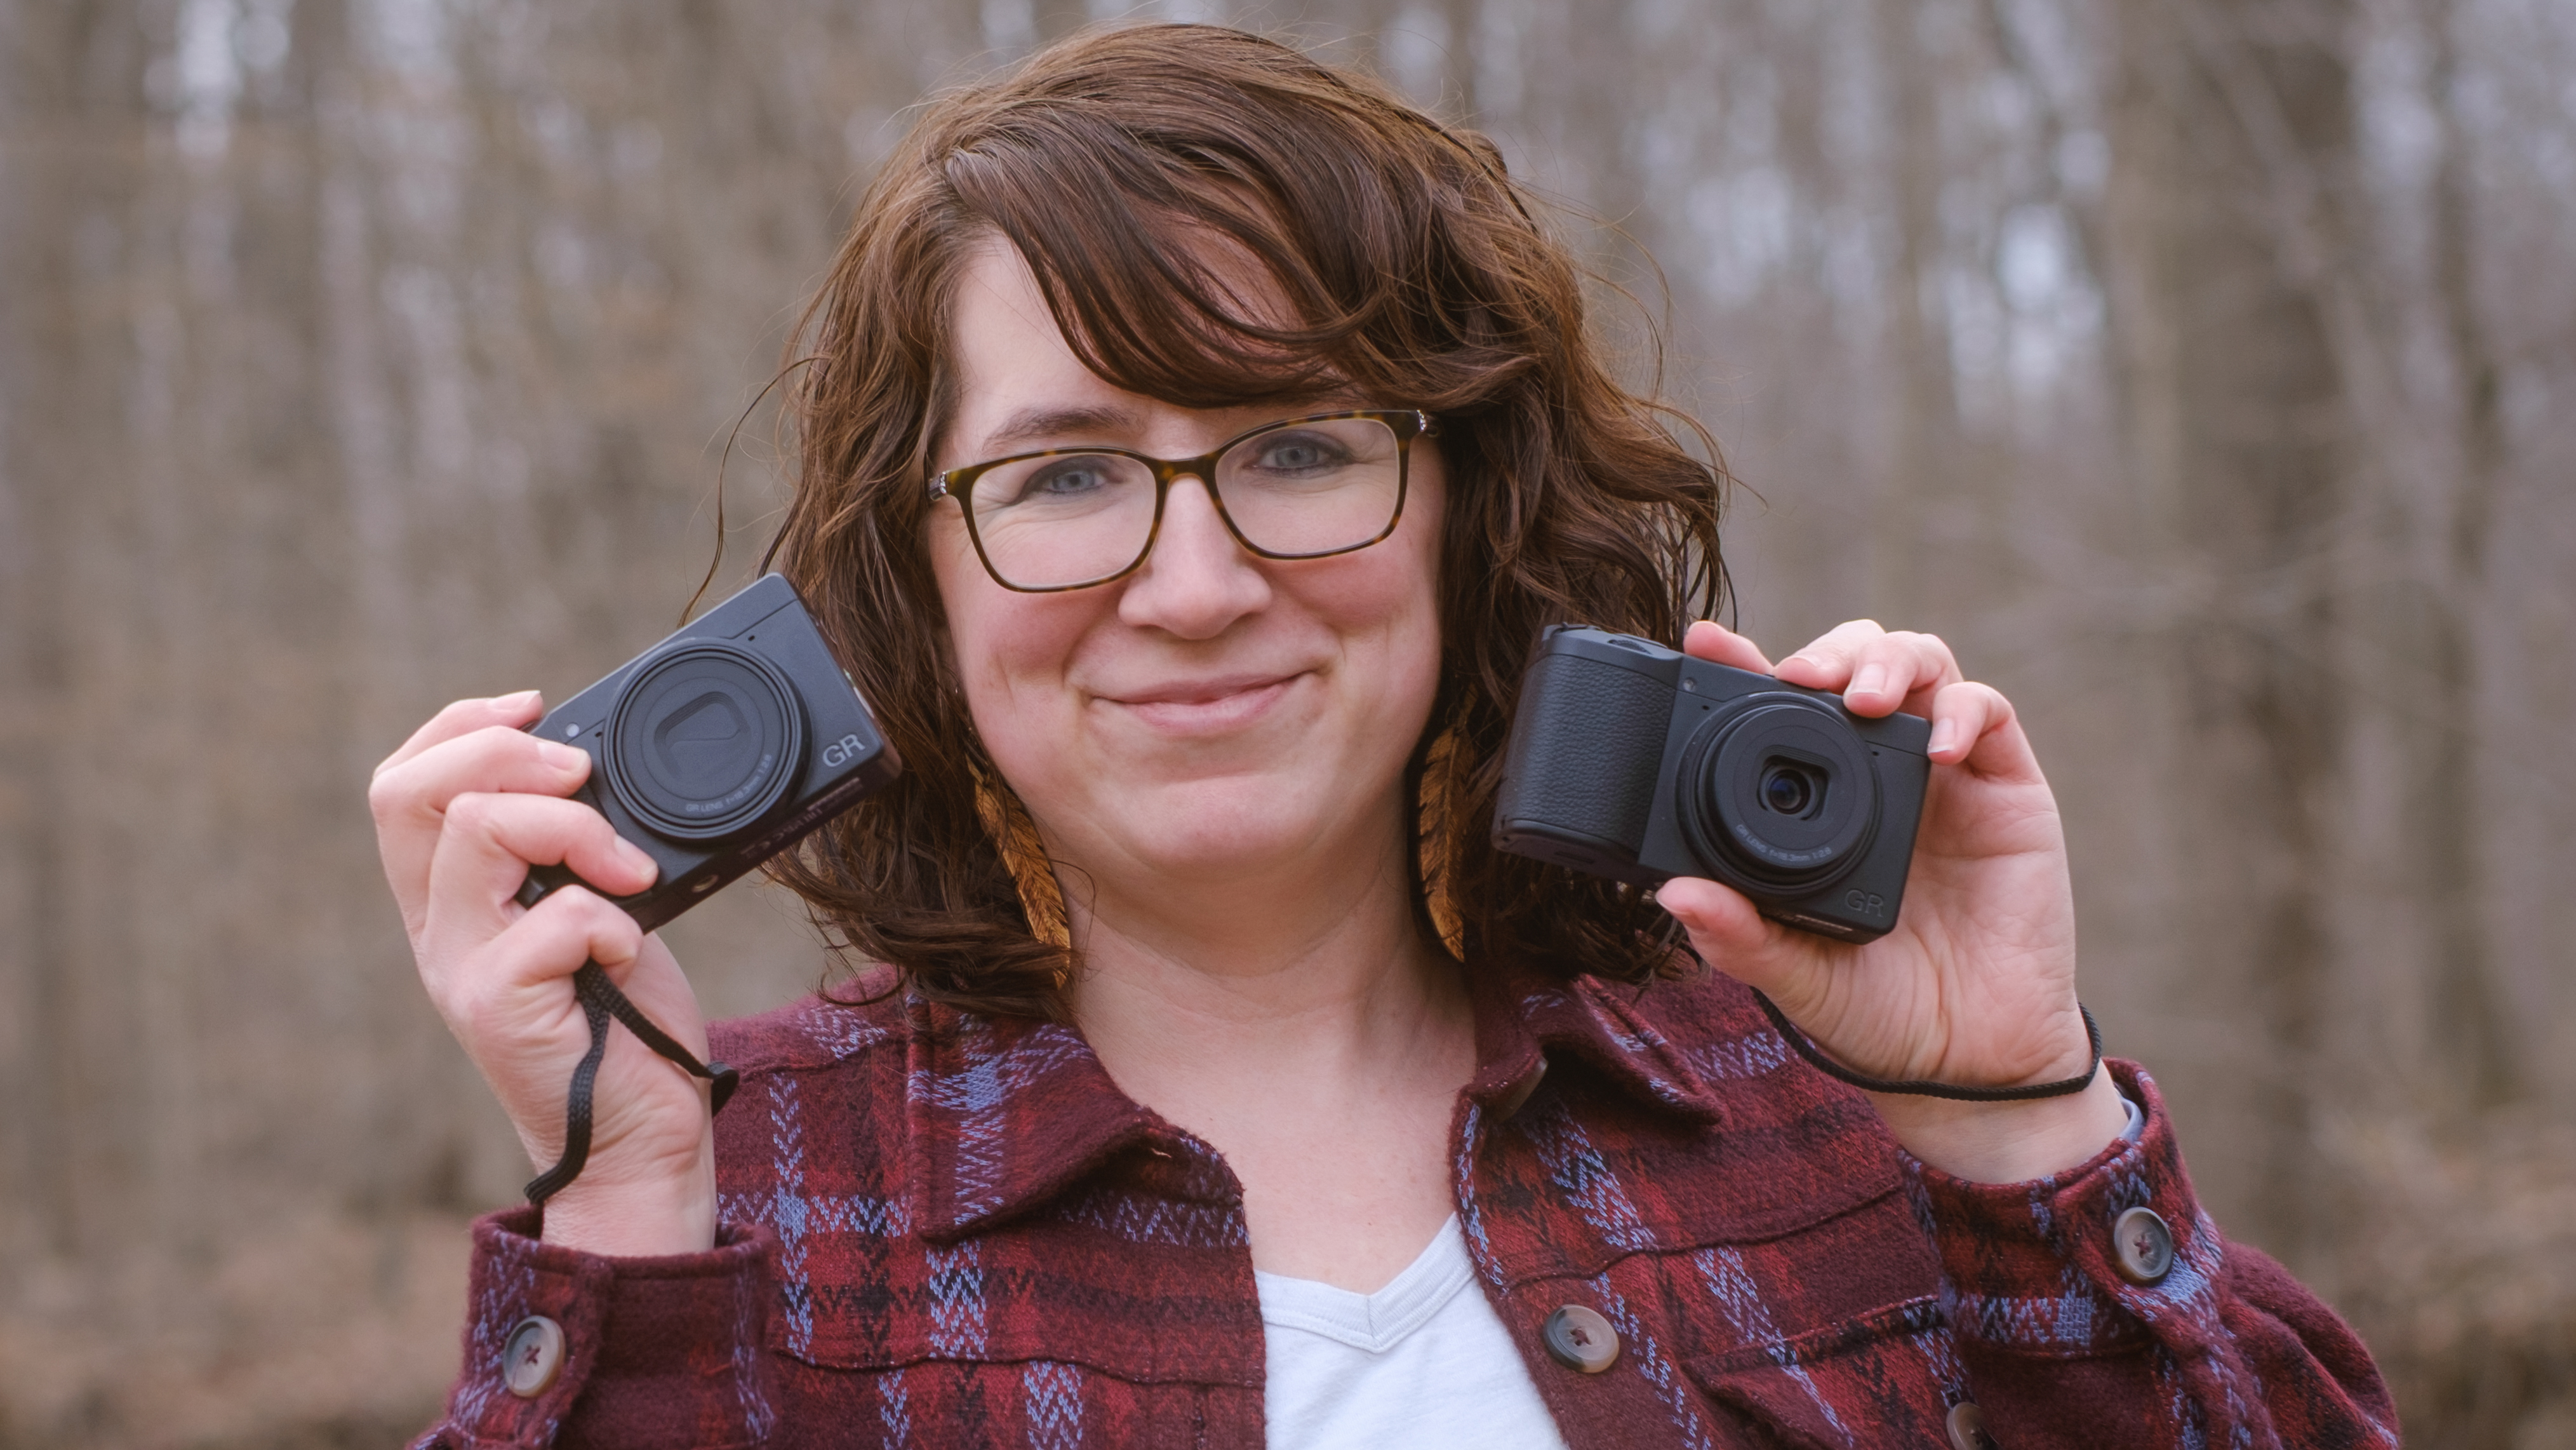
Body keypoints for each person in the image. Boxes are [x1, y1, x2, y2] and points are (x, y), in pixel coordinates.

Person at [375, 24, 2395, 1449]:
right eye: (1066, 476)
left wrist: (2024, 1121)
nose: (1191, 584)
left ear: (1465, 511)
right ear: (919, 575)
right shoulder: (746, 1198)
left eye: (1301, 447)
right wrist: (622, 1214)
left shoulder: (1829, 1112)